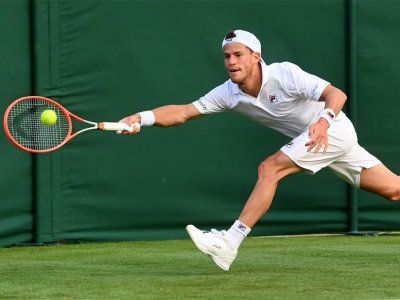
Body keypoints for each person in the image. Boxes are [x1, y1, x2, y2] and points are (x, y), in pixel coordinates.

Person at [119, 30, 400, 271]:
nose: (231, 61)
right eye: (227, 56)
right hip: (319, 139)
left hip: (332, 131)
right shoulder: (228, 92)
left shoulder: (284, 74)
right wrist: (139, 119)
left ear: (256, 56)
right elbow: (182, 112)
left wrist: (324, 122)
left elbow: (336, 94)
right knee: (393, 190)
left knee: (269, 168)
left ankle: (230, 242)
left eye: (238, 54)